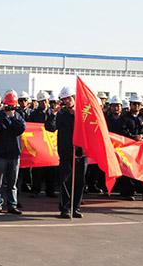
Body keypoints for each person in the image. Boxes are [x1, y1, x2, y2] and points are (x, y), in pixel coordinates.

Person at [46, 86, 86, 219]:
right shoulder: (61, 114)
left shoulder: (83, 113)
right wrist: (53, 113)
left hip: (80, 152)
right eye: (64, 99)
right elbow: (50, 127)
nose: (67, 101)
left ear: (74, 98)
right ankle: (65, 208)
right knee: (65, 180)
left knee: (79, 181)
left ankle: (76, 207)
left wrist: (77, 115)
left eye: (69, 98)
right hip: (65, 151)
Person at [0, 91, 26, 216]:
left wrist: (12, 118)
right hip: (1, 153)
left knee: (12, 182)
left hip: (14, 154)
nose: (10, 108)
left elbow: (21, 128)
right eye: (8, 105)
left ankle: (12, 205)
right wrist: (6, 117)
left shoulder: (18, 116)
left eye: (12, 106)